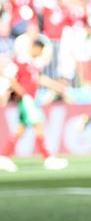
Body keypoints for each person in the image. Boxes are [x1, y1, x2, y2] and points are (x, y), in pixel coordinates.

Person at [0, 36, 69, 172]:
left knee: (20, 129)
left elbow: (39, 79)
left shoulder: (31, 64)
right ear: (35, 48)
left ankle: (4, 157)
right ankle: (48, 158)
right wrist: (22, 93)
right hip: (27, 100)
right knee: (39, 126)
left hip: (29, 99)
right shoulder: (20, 61)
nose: (40, 53)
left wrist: (56, 86)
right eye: (40, 50)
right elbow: (11, 78)